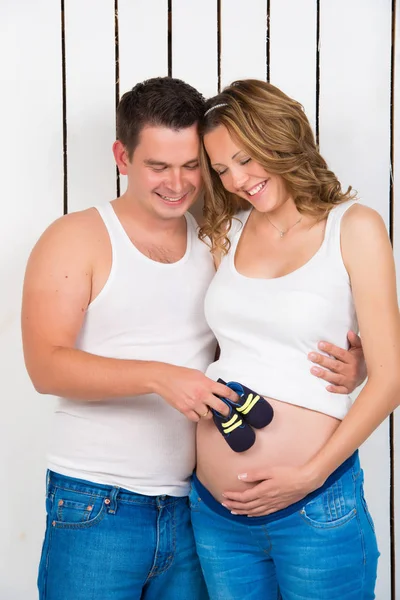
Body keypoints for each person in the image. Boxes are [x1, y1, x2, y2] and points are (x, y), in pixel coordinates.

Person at [22, 77, 365, 600]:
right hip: (97, 500)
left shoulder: (217, 237)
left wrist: (356, 365)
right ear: (122, 155)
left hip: (194, 507)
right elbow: (46, 367)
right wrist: (160, 379)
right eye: (158, 166)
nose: (178, 184)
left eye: (193, 167)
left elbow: (257, 337)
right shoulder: (77, 237)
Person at [189, 79, 400, 600]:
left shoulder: (353, 227)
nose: (238, 179)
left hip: (314, 505)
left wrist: (308, 475)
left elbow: (391, 377)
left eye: (245, 158)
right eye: (221, 169)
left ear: (279, 138)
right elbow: (233, 345)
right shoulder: (225, 234)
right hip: (217, 516)